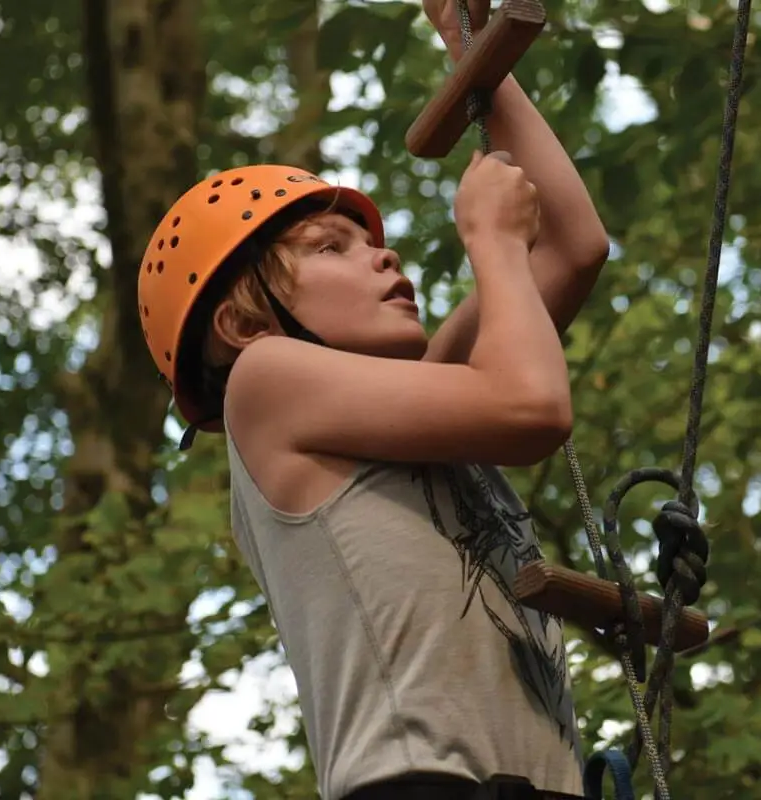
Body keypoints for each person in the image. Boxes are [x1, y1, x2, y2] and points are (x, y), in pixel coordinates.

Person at [136, 2, 616, 797]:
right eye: (331, 247)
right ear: (241, 320)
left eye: (371, 241)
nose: (384, 255)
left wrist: (474, 54)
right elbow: (532, 409)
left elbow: (572, 247)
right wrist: (492, 241)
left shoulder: (426, 396)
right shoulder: (267, 383)